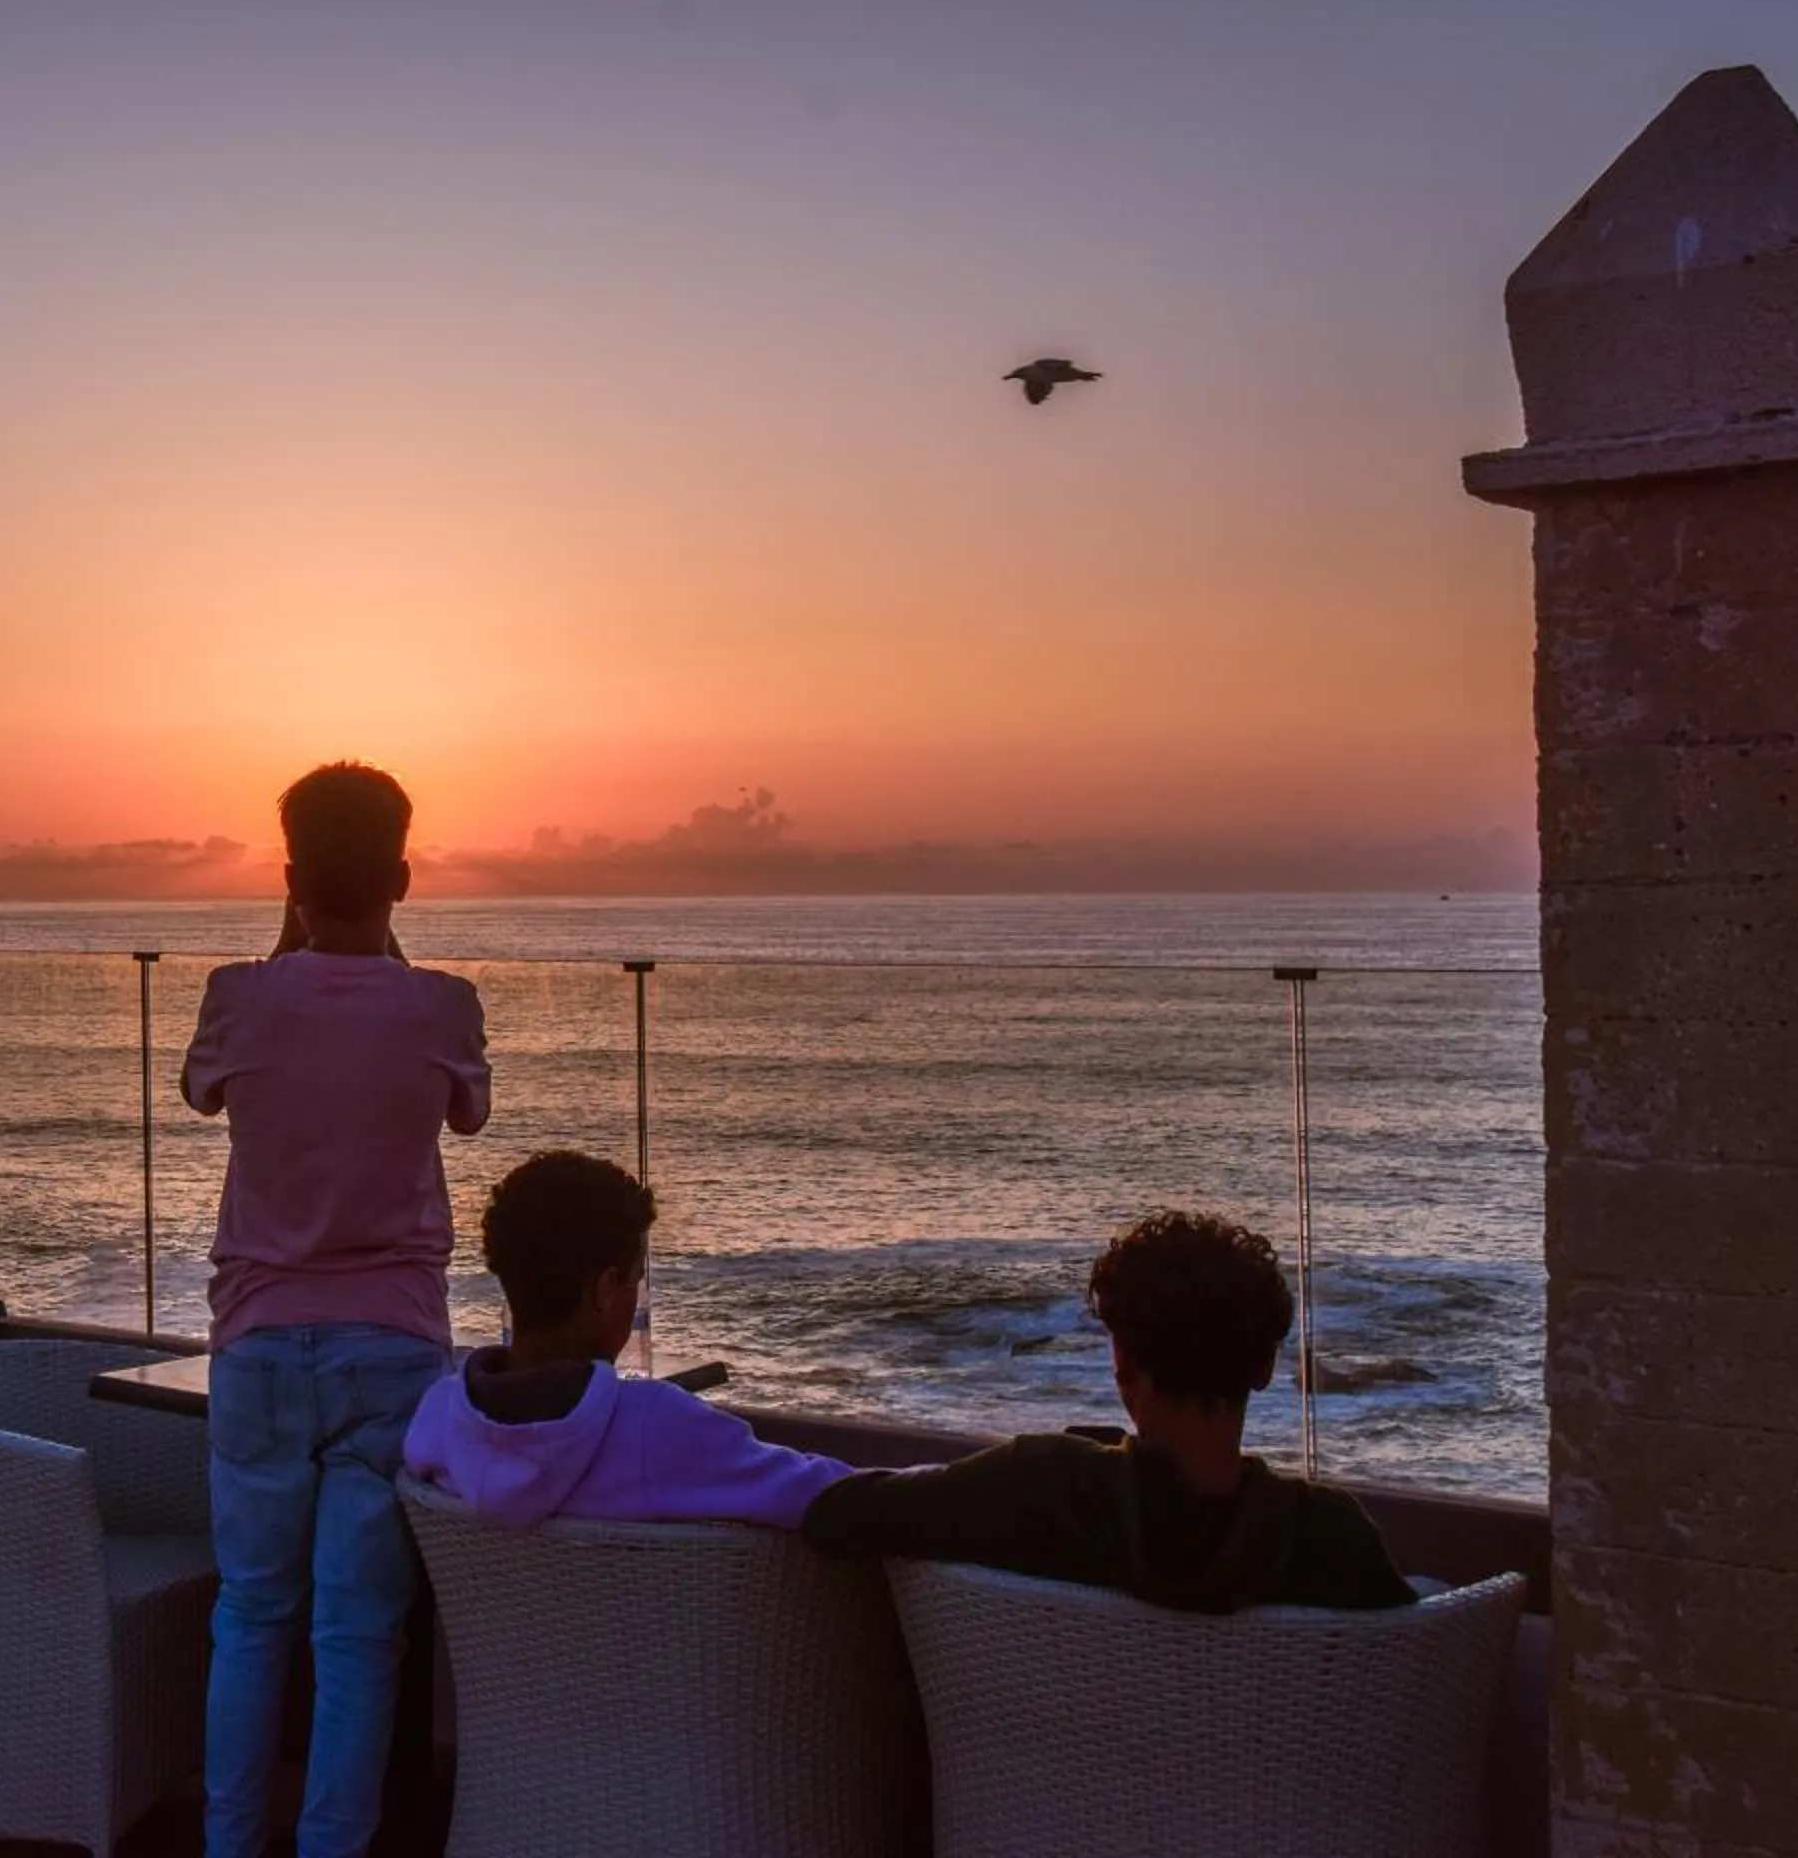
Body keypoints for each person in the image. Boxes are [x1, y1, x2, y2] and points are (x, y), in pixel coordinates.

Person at [183, 761, 489, 1858]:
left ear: (290, 877)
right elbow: (470, 1115)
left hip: (258, 1340)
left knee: (251, 1616)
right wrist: (368, 939)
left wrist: (295, 939)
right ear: (403, 876)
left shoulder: (238, 994)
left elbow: (201, 1087)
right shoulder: (444, 1004)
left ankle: (228, 1844)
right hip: (394, 1346)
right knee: (359, 1636)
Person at [802, 1208, 1415, 1611]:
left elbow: (838, 1517)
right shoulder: (1333, 1540)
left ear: (1123, 1365)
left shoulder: (1040, 1490)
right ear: (1264, 1367)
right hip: (1272, 1807)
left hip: (1042, 1805)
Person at [404, 1150, 851, 1528]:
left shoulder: (437, 1418)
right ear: (604, 1290)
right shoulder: (656, 1425)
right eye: (636, 1281)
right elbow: (832, 1496)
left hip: (495, 1632)